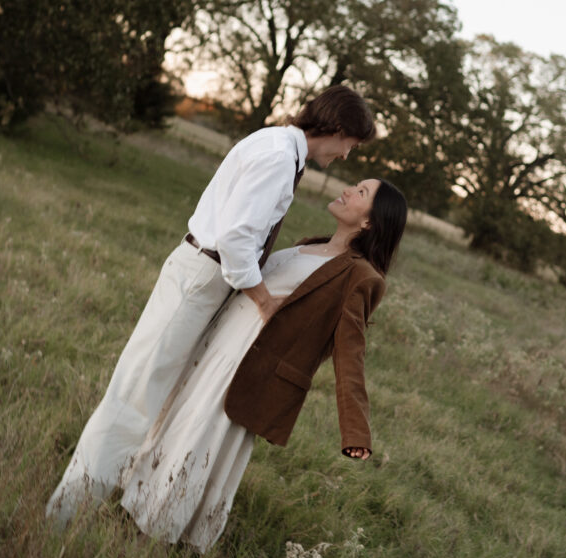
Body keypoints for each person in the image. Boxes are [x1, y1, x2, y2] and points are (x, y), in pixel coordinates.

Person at [46, 86, 375, 523]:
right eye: (350, 145)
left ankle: (98, 497)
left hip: (204, 277)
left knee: (149, 394)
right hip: (202, 275)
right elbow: (237, 239)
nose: (347, 156)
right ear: (336, 129)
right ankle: (65, 514)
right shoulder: (278, 156)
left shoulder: (280, 148)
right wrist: (262, 300)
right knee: (134, 398)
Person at [50, 177, 408, 553]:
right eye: (355, 185)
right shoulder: (311, 245)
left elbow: (351, 352)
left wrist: (356, 431)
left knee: (196, 443)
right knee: (171, 428)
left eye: (361, 193)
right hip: (214, 349)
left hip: (246, 372)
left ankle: (154, 536)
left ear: (369, 222)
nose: (349, 190)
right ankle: (132, 508)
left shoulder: (361, 277)